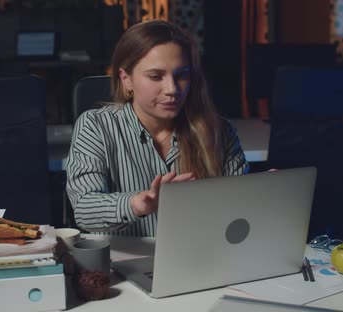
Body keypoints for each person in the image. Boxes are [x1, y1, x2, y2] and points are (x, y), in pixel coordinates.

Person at [66, 19, 249, 236]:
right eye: (155, 76)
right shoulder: (95, 126)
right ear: (126, 79)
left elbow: (239, 213)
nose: (172, 89)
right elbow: (85, 210)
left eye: (181, 75)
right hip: (124, 265)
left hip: (199, 262)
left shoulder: (219, 130)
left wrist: (260, 197)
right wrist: (138, 204)